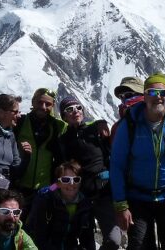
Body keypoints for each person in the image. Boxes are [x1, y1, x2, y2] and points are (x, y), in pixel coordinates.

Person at [110, 72, 165, 250]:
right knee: (140, 244)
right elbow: (117, 165)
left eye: (163, 93)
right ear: (144, 97)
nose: (158, 98)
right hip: (137, 197)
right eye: (152, 93)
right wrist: (120, 205)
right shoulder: (129, 125)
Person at [54, 96, 115, 249]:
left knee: (114, 239)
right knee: (85, 240)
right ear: (64, 116)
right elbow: (61, 168)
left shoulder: (96, 130)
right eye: (70, 109)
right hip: (80, 196)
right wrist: (54, 188)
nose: (75, 111)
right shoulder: (63, 141)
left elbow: (112, 155)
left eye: (78, 107)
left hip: (104, 191)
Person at [14, 88, 67, 216]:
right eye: (39, 102)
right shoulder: (19, 122)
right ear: (33, 102)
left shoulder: (58, 127)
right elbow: (0, 122)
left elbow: (63, 162)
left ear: (53, 106)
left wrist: (53, 188)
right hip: (19, 188)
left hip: (45, 191)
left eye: (48, 104)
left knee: (39, 231)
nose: (43, 107)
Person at [25, 160, 96, 250]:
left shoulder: (85, 204)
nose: (71, 183)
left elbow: (88, 239)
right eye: (66, 180)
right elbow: (39, 237)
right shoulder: (45, 200)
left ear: (80, 182)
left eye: (76, 179)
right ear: (58, 183)